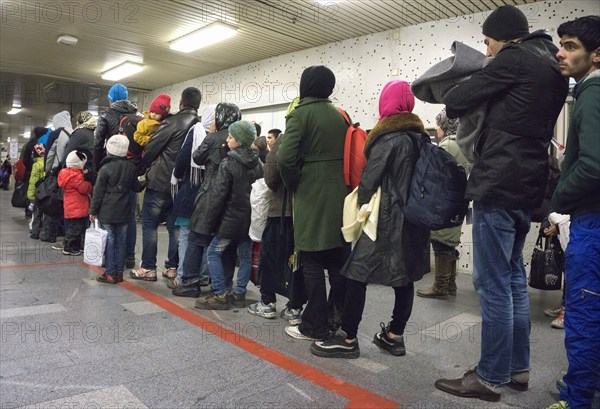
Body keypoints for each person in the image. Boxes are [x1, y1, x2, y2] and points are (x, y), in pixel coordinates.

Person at [433, 5, 569, 402]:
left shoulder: (513, 58)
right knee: (511, 281)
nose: (486, 49)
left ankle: (489, 376)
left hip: (498, 181)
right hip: (527, 184)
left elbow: (456, 100)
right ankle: (518, 370)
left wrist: (478, 72)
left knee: (491, 285)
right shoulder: (549, 63)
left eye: (487, 41)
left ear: (503, 36)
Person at [310, 80, 430, 359]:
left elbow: (369, 181)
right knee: (405, 278)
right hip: (414, 220)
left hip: (385, 220)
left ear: (386, 104)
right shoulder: (420, 137)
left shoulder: (388, 138)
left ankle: (347, 338)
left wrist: (361, 204)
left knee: (356, 275)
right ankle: (394, 336)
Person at [547, 15, 600, 409]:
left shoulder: (592, 93)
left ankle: (577, 399)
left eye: (570, 46)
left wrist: (559, 199)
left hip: (592, 222)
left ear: (596, 55)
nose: (560, 53)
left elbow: (594, 164)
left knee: (583, 312)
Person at [277, 65, 349, 341]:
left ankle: (313, 325)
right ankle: (335, 317)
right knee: (338, 258)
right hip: (340, 192)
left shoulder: (300, 115)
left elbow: (285, 158)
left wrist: (295, 182)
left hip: (311, 193)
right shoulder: (341, 115)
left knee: (311, 258)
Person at [130, 87, 201, 281]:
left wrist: (143, 167)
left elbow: (152, 147)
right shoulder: (200, 125)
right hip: (184, 185)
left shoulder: (173, 122)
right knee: (175, 228)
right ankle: (172, 268)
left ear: (181, 103)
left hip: (161, 181)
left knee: (150, 225)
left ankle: (148, 268)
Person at [192, 120, 263, 309]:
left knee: (213, 253)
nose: (227, 140)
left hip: (229, 220)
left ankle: (220, 293)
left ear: (239, 141)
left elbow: (218, 195)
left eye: (231, 137)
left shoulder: (228, 162)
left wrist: (209, 222)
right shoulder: (258, 163)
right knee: (245, 256)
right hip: (249, 220)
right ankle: (239, 293)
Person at [247, 134, 304, 323]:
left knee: (270, 257)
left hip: (280, 210)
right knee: (297, 262)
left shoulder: (286, 139)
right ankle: (294, 307)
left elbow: (271, 177)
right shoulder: (321, 140)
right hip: (305, 213)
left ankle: (267, 302)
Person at [417, 109, 468, 299]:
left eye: (438, 125)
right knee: (449, 241)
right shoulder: (464, 144)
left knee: (441, 241)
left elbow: (435, 173)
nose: (436, 129)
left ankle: (441, 285)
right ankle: (450, 284)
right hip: (458, 200)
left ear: (445, 126)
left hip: (444, 201)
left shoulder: (447, 145)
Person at [169, 105, 216, 296]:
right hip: (211, 195)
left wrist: (178, 175)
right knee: (205, 236)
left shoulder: (196, 132)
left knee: (187, 236)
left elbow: (182, 158)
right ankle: (204, 276)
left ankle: (183, 277)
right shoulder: (223, 138)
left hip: (191, 191)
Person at [93, 83, 140, 268]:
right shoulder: (138, 115)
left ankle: (110, 258)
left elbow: (97, 144)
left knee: (109, 216)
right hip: (132, 170)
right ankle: (129, 256)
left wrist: (98, 169)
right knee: (129, 215)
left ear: (110, 99)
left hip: (111, 170)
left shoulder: (106, 115)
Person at [90, 135, 144, 284]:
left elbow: (98, 193)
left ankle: (110, 273)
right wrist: (147, 180)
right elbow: (136, 187)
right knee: (121, 241)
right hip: (125, 211)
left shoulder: (105, 168)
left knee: (109, 241)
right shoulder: (131, 168)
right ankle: (119, 273)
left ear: (109, 150)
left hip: (107, 211)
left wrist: (93, 211)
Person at [57, 151, 93, 256]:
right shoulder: (76, 176)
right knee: (75, 229)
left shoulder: (66, 173)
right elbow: (84, 188)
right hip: (78, 207)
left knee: (74, 228)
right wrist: (90, 184)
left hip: (70, 207)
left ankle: (76, 246)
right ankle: (69, 247)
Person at [27, 144, 46, 240]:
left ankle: (35, 233)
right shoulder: (48, 163)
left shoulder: (36, 165)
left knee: (36, 214)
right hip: (47, 193)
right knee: (46, 214)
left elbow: (33, 182)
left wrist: (31, 196)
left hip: (38, 194)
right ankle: (47, 233)